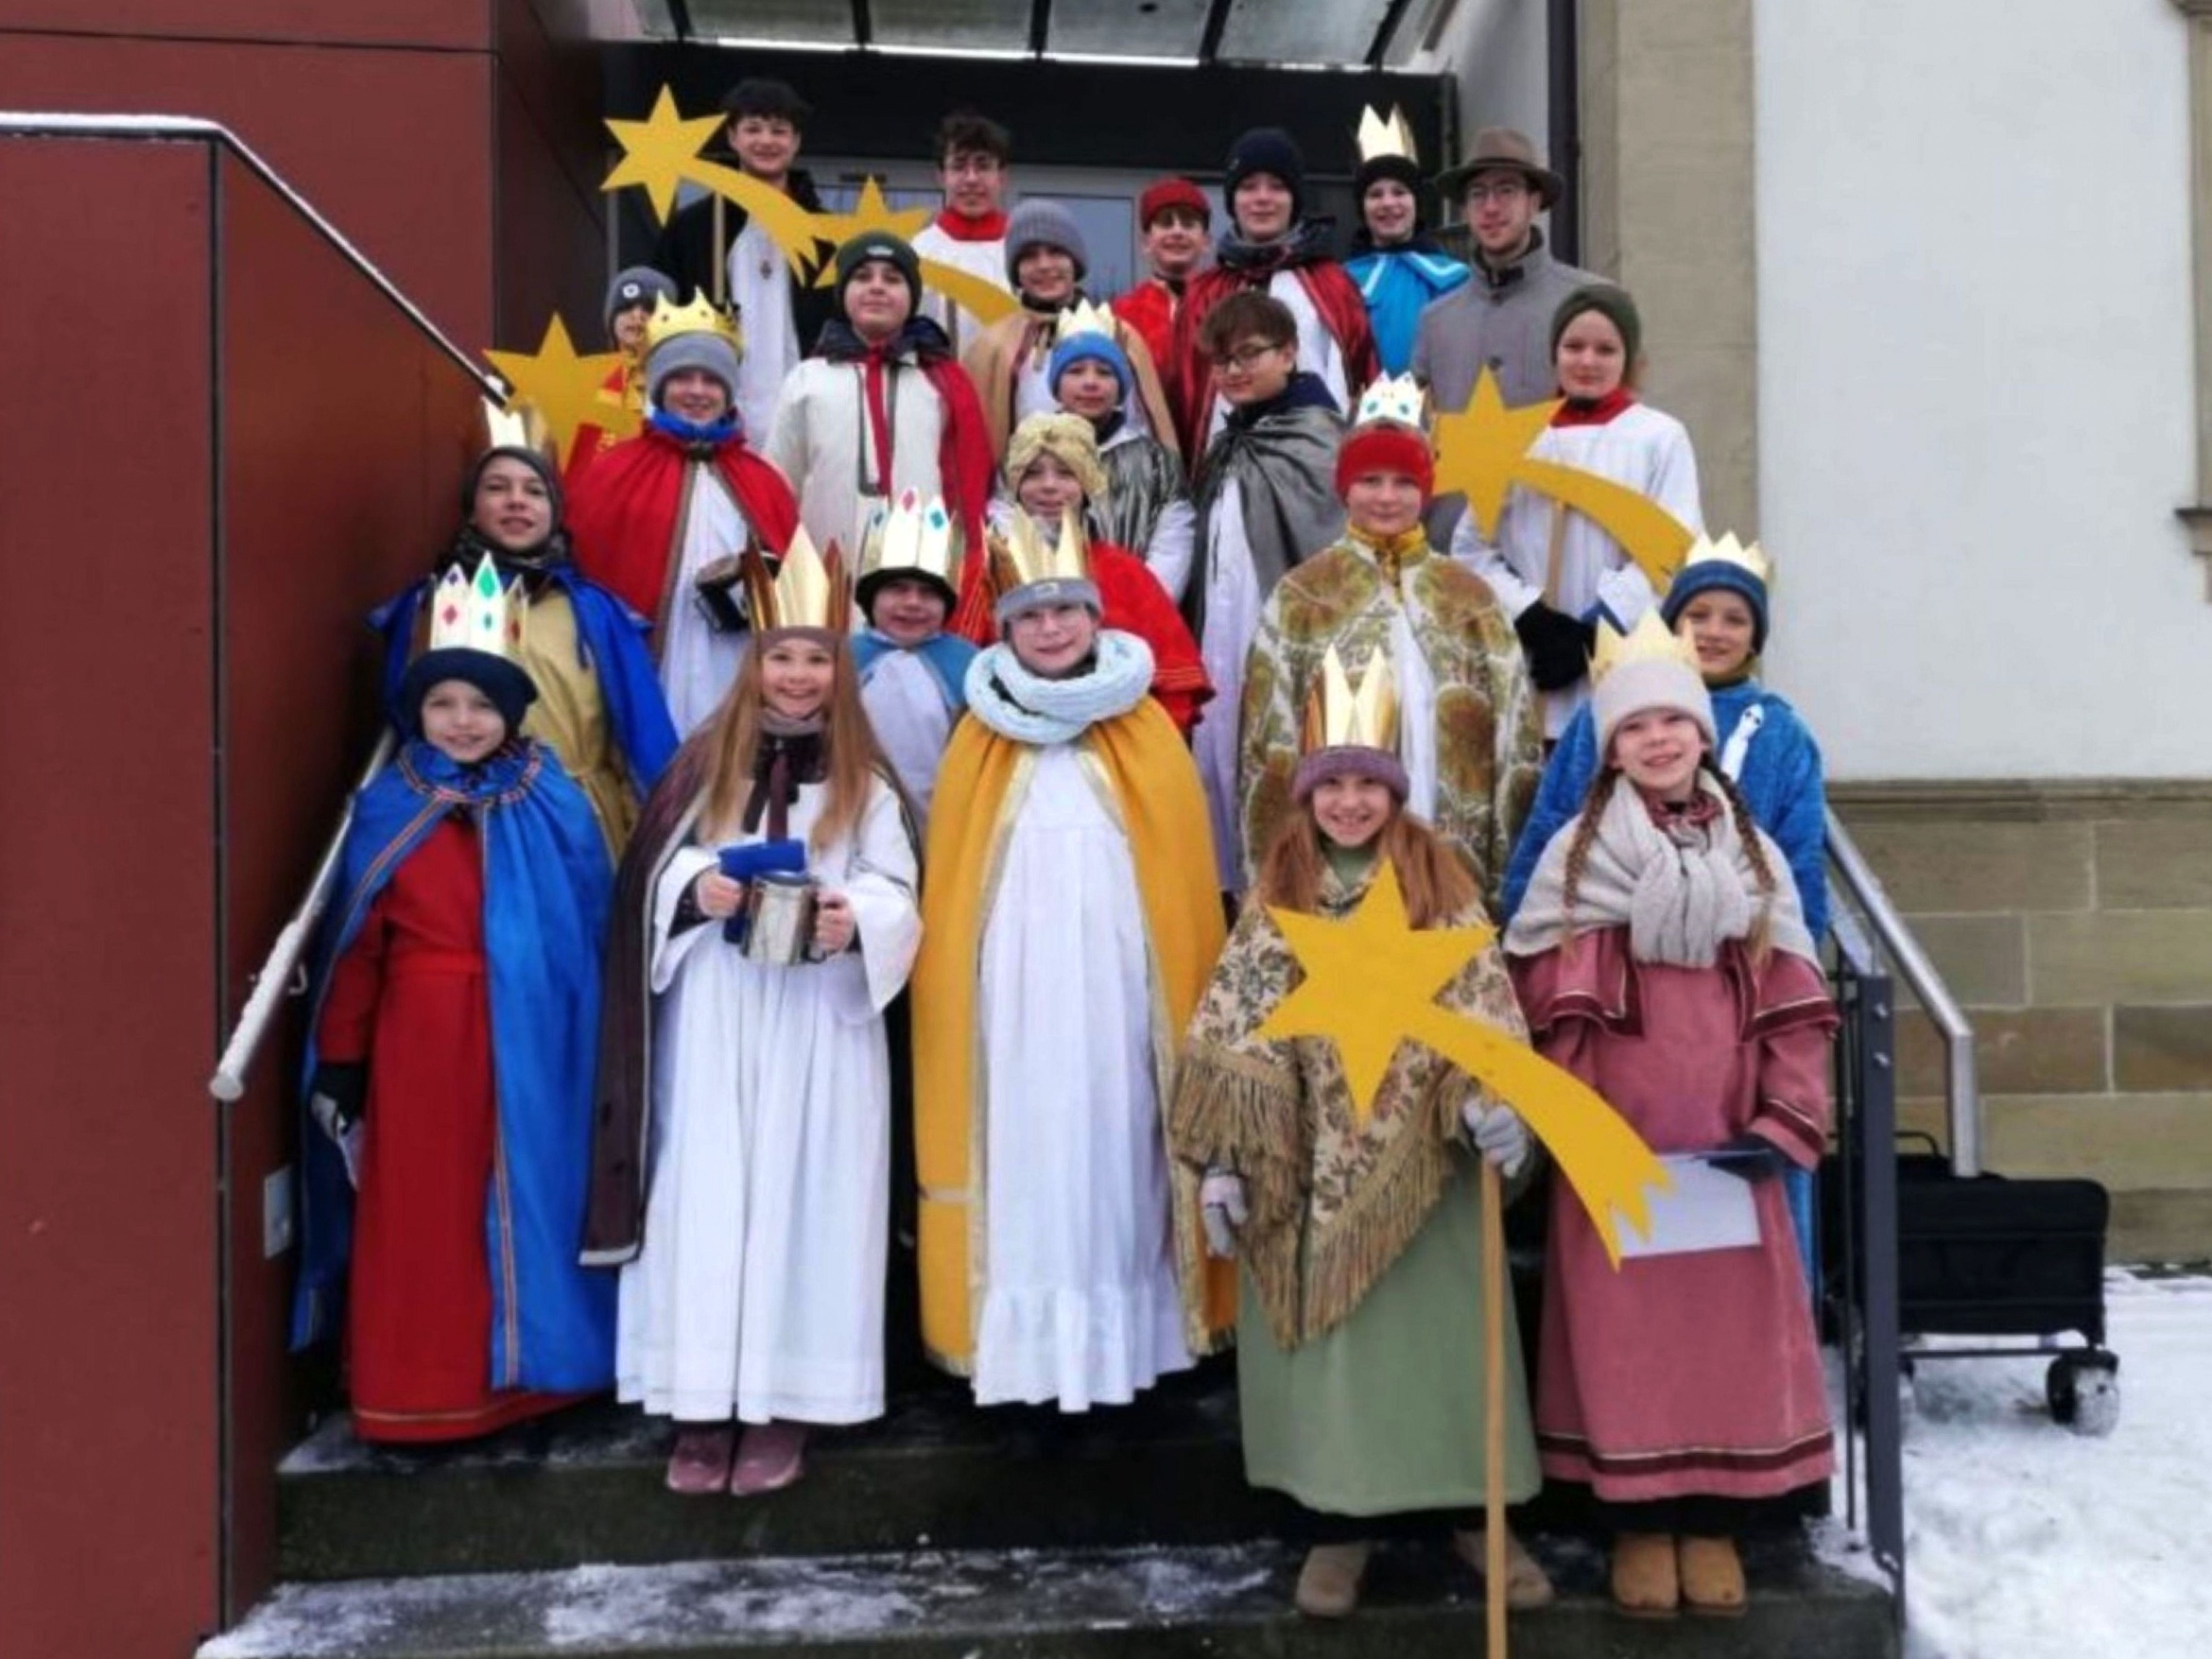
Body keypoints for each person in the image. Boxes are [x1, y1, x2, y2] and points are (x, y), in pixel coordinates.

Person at [1170, 648, 1553, 1619]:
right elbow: (1236, 1030)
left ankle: (1481, 1516)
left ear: (1394, 790)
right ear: (1307, 792)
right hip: (1311, 1175)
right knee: (1339, 1357)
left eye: (1366, 783)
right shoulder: (1278, 897)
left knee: (1449, 1348)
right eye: (1331, 782)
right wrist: (1225, 1163)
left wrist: (1498, 1103)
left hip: (1428, 1171)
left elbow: (1486, 1007)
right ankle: (1340, 1525)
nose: (1348, 802)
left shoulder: (1442, 888)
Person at [1504, 614, 1836, 1617]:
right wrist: (1579, 1121)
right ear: (1610, 747)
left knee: (1724, 1336)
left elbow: (1794, 989)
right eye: (1635, 727)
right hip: (1621, 1143)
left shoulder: (1755, 856)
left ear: (1701, 734)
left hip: (1729, 1141)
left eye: (1673, 724)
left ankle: (1715, 1521)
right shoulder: (1576, 858)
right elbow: (1541, 991)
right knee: (1628, 1338)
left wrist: (1784, 1115)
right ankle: (1640, 1522)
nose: (1658, 741)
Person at [585, 536, 921, 1497]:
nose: (800, 674)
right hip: (719, 1013)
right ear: (755, 662)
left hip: (820, 1017)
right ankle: (698, 1402)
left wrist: (858, 914)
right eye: (783, 656)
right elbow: (651, 870)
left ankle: (785, 1402)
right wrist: (699, 888)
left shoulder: (865, 772)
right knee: (709, 1188)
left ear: (838, 670)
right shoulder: (704, 762)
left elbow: (897, 879)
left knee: (806, 1194)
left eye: (818, 657)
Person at [909, 526, 1235, 1411]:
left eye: (1065, 611)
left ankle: (1132, 1349)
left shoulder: (1145, 731)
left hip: (1120, 989)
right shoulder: (979, 735)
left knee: (1120, 1146)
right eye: (1031, 616)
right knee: (1023, 1160)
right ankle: (1027, 1369)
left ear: (1095, 618)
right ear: (1004, 631)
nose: (1051, 628)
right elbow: (957, 880)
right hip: (1011, 1000)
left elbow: (1179, 882)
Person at [294, 556, 616, 1443]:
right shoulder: (389, 805)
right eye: (444, 705)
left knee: (540, 1193)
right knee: (427, 1209)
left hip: (542, 1032)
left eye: (481, 705)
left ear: (510, 713)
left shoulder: (552, 795)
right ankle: (424, 1391)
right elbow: (357, 947)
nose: (464, 721)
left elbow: (587, 924)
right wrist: (347, 1059)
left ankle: (544, 1377)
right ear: (418, 713)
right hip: (424, 1039)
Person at [1240, 379, 1540, 912]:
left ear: (1426, 490)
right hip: (1344, 827)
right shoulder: (1303, 595)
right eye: (1370, 480)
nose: (1386, 496)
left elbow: (1512, 736)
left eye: (1404, 482)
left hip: (1450, 825)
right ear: (1344, 488)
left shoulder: (1470, 598)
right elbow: (1271, 738)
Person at [377, 444, 679, 855]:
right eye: (498, 488)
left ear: (554, 511)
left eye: (535, 491)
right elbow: (404, 723)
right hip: (457, 824)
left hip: (575, 829)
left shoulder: (594, 611)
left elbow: (641, 736)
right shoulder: (431, 604)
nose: (516, 500)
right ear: (471, 509)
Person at [1451, 285, 1702, 741]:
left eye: (1605, 349)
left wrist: (1594, 629)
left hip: (1622, 656)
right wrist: (1529, 615)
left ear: (1629, 358)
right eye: (1574, 346)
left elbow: (1673, 549)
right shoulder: (1517, 440)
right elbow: (1471, 548)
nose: (1587, 361)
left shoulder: (1659, 438)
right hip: (1533, 659)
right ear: (1554, 354)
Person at [567, 296, 804, 737]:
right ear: (658, 387)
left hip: (738, 661)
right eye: (681, 378)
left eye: (711, 380)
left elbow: (795, 584)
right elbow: (589, 569)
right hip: (655, 662)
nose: (697, 391)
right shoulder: (615, 470)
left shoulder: (763, 480)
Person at [1184, 291, 1346, 891]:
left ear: (1290, 353)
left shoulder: (1321, 439)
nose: (1234, 371)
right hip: (1221, 647)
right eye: (1221, 361)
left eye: (1250, 354)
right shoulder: (1228, 444)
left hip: (1289, 646)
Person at [766, 231, 996, 588]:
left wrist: (965, 569)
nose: (877, 287)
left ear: (912, 296)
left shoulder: (943, 382)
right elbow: (777, 486)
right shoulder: (807, 380)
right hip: (825, 571)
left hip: (920, 580)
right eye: (862, 277)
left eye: (892, 279)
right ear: (842, 293)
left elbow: (968, 483)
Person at [985, 412, 1211, 734]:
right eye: (1032, 474)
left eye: (1066, 473)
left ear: (1088, 484)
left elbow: (1172, 682)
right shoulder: (986, 572)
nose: (1049, 486)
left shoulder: (1125, 572)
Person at [1168, 127, 1378, 458]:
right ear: (1233, 200)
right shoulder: (1203, 293)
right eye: (1249, 187)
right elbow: (1182, 401)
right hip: (1224, 475)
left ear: (1294, 199)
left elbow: (1367, 384)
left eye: (1277, 187)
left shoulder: (1334, 285)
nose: (1262, 198)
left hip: (1317, 475)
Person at [650, 77, 837, 440]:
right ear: (733, 137)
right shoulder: (693, 228)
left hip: (807, 407)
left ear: (795, 142)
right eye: (753, 129)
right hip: (714, 408)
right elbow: (661, 314)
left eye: (779, 131)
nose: (766, 141)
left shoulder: (824, 233)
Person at [961, 199, 1179, 462]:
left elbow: (1150, 432)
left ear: (1075, 261)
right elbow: (975, 449)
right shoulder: (991, 347)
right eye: (1029, 255)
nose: (1044, 265)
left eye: (1055, 252)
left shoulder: (1120, 335)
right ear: (1016, 271)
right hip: (1028, 496)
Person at [1411, 127, 1599, 417]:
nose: (1490, 207)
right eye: (1477, 194)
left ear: (1533, 202)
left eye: (1506, 190)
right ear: (1464, 209)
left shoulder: (1589, 303)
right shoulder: (1436, 321)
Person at [1048, 306, 1196, 604]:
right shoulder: (1029, 457)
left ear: (1121, 387)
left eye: (1104, 372)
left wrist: (1141, 608)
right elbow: (1009, 530)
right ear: (1056, 385)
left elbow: (1174, 546)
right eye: (1075, 371)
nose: (1090, 382)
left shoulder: (1156, 462)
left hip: (1137, 616)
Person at [852, 490, 976, 831]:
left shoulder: (968, 665)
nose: (912, 603)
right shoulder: (843, 660)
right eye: (897, 589)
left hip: (944, 813)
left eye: (928, 593)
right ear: (871, 599)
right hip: (858, 811)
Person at [1344, 109, 1469, 377]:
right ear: (1362, 208)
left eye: (1400, 192)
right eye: (1375, 194)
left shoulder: (1459, 278)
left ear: (1416, 202)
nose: (1388, 203)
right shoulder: (1339, 283)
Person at [911, 109, 1015, 358]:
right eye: (959, 166)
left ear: (1002, 177)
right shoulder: (918, 252)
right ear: (941, 177)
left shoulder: (1026, 252)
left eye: (983, 166)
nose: (971, 179)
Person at [566, 265, 678, 487]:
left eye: (649, 309)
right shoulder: (587, 380)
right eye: (626, 308)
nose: (637, 316)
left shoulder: (679, 383)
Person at [1111, 177, 1211, 388]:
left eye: (1188, 223)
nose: (1177, 232)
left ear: (1206, 242)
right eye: (1166, 223)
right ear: (1146, 242)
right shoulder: (1121, 313)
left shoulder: (1223, 304)